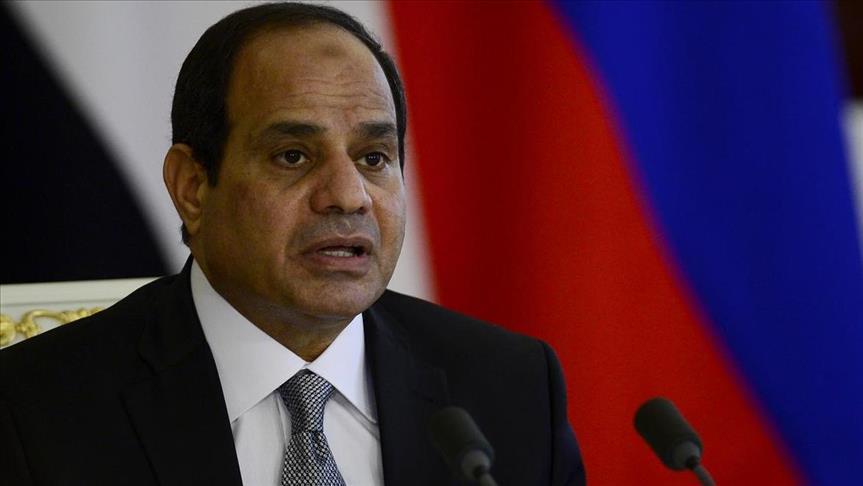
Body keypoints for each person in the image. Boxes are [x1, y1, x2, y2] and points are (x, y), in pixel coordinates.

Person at [0, 3, 585, 485]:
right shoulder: (36, 409)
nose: (348, 196)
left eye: (374, 158)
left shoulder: (511, 390)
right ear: (193, 187)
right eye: (293, 156)